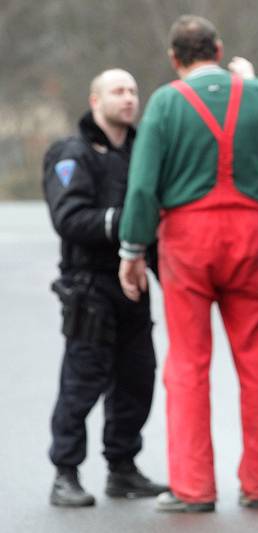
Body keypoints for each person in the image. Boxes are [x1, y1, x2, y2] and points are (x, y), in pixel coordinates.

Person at [117, 15, 258, 513]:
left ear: (175, 59)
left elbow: (144, 186)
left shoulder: (167, 102)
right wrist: (254, 81)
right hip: (249, 234)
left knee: (189, 364)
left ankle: (194, 488)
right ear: (217, 48)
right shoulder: (254, 93)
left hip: (188, 240)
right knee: (255, 361)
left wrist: (131, 251)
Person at [43, 69, 167, 507]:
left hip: (133, 286)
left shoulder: (141, 151)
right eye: (118, 91)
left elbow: (158, 221)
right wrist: (125, 223)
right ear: (95, 100)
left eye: (134, 90)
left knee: (137, 380)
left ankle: (122, 469)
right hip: (90, 286)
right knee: (81, 383)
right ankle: (65, 472)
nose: (129, 98)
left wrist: (168, 274)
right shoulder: (71, 153)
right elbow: (69, 218)